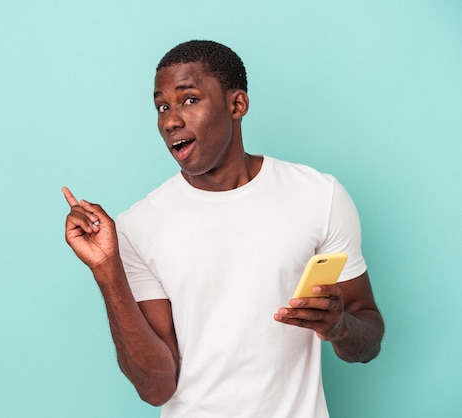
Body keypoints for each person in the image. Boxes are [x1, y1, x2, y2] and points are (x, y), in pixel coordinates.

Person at [62, 40, 384, 418]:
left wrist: (339, 327)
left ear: (237, 105)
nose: (170, 120)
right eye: (162, 106)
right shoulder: (137, 227)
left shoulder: (320, 196)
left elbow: (369, 339)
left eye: (189, 100)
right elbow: (156, 388)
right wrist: (107, 271)